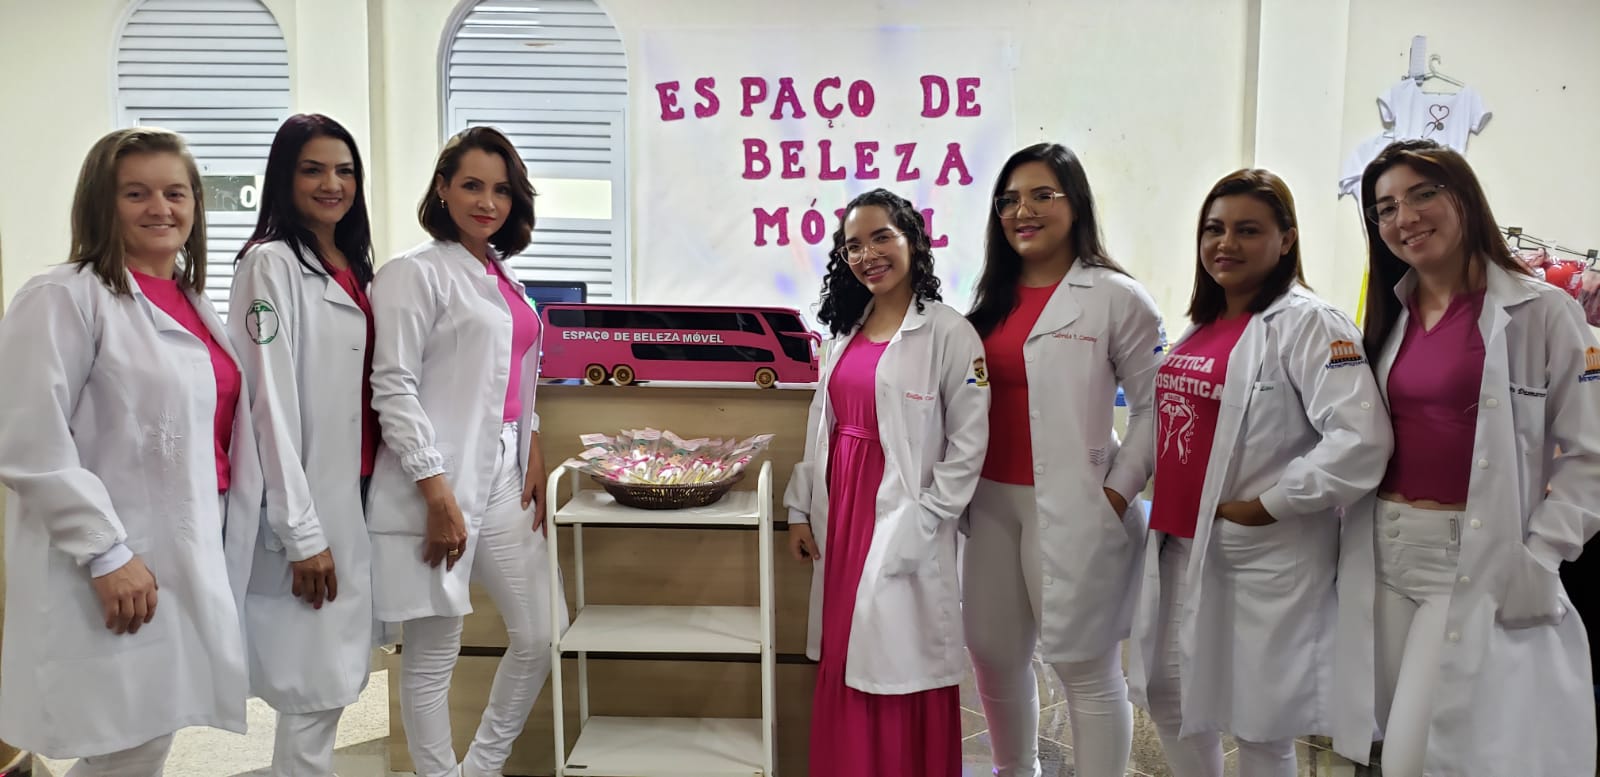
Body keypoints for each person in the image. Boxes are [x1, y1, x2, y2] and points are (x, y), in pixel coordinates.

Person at [0, 128, 261, 775]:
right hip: (111, 557)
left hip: (189, 543)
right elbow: (27, 437)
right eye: (136, 193)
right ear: (101, 203)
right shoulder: (63, 295)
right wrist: (105, 550)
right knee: (124, 740)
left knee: (147, 732)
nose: (160, 208)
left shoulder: (194, 303)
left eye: (175, 193)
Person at [1336, 138, 1600, 776]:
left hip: (1470, 559)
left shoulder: (1544, 311)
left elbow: (1590, 453)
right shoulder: (1390, 313)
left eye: (1423, 194)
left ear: (1465, 198)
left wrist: (1544, 551)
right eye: (1385, 207)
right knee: (1395, 735)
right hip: (1383, 552)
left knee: (1415, 759)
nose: (1405, 217)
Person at [1125, 168, 1392, 777]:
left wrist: (1267, 505)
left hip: (1261, 551)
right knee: (1169, 697)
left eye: (1248, 230)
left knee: (1260, 724)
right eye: (1214, 229)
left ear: (1286, 239)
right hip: (1181, 544)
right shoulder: (1204, 324)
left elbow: (1361, 440)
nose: (1226, 243)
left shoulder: (1310, 323)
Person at [367, 126, 566, 777]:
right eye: (472, 185)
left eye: (501, 190)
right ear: (443, 188)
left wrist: (532, 439)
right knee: (433, 651)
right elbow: (392, 386)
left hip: (504, 471)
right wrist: (435, 491)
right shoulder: (413, 273)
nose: (487, 202)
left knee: (541, 632)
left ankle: (479, 768)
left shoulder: (500, 273)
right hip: (438, 477)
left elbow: (513, 374)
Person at [962, 142, 1164, 777]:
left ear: (1075, 204)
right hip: (990, 503)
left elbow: (1158, 410)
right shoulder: (989, 299)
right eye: (1009, 200)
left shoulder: (1117, 297)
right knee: (993, 652)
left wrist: (1117, 492)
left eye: (1041, 195)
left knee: (1085, 665)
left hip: (1078, 504)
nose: (1022, 210)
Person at [783, 188, 988, 777]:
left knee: (898, 656)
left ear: (913, 242)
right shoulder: (844, 332)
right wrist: (800, 509)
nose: (867, 255)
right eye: (853, 245)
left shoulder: (950, 334)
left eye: (881, 238)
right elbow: (821, 428)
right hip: (842, 511)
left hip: (903, 518)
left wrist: (926, 521)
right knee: (849, 651)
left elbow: (969, 444)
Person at [228, 113, 380, 777]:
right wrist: (301, 531)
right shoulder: (270, 263)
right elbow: (267, 404)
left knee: (332, 681)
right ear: (283, 178)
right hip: (311, 499)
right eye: (312, 169)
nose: (331, 184)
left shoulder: (351, 264)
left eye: (344, 171)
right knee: (313, 689)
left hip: (360, 491)